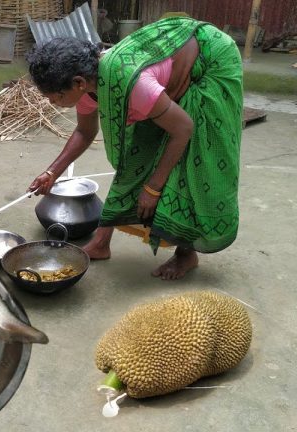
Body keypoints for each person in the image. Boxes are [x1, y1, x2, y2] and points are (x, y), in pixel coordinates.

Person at [26, 17, 242, 280]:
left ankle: (186, 254)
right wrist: (52, 173)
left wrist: (153, 188)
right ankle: (101, 243)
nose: (54, 103)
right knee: (136, 157)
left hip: (211, 60)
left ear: (79, 82)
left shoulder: (133, 85)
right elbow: (84, 132)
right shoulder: (89, 88)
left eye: (56, 97)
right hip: (166, 75)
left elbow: (183, 129)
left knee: (189, 162)